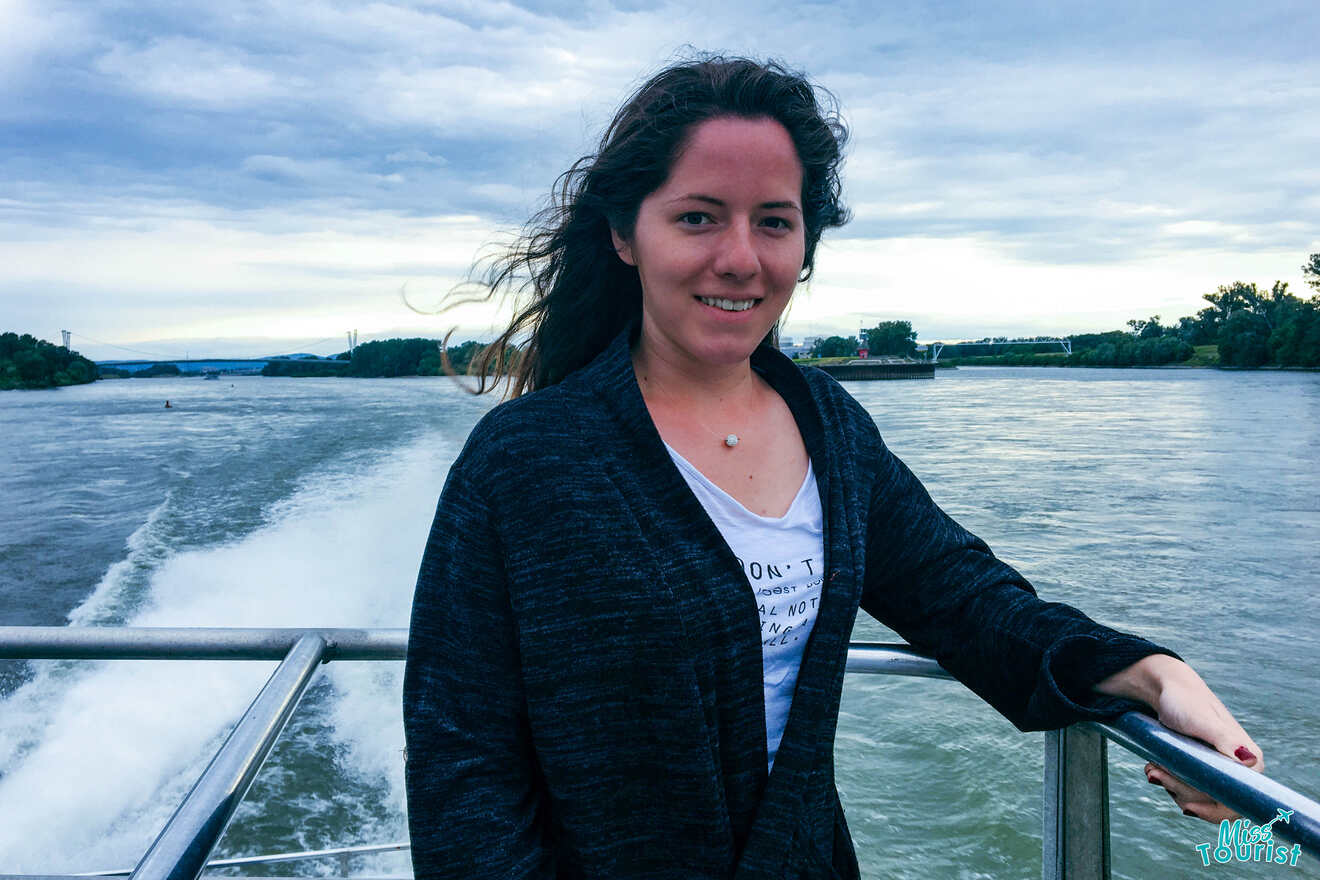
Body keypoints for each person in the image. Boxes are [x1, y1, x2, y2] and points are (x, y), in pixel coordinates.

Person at [403, 55, 1261, 878]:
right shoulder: (526, 461)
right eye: (698, 216)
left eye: (773, 221)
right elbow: (462, 757)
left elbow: (966, 601)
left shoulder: (834, 434)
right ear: (626, 234)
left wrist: (1153, 675)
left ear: (805, 245)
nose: (741, 258)